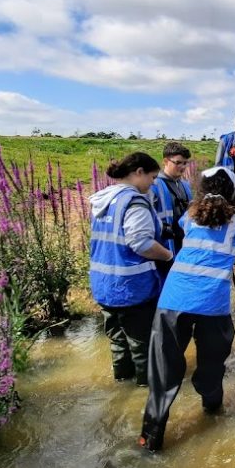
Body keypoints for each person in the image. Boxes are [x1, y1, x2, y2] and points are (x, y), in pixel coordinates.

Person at [139, 166, 235, 451]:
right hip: (211, 304)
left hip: (172, 301)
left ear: (201, 188)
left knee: (163, 375)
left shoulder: (189, 215)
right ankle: (212, 417)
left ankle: (149, 440)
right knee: (211, 367)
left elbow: (195, 240)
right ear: (231, 190)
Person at [89, 152, 174, 386]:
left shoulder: (103, 200)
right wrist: (168, 256)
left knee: (118, 342)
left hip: (104, 286)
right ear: (139, 173)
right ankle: (145, 391)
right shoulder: (134, 201)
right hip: (131, 289)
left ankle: (122, 384)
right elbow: (142, 244)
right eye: (152, 177)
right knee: (142, 345)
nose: (154, 183)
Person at [151, 141, 194, 274]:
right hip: (164, 247)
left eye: (185, 163)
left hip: (184, 245)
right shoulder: (153, 185)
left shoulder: (185, 185)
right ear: (165, 161)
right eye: (178, 162)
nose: (182, 167)